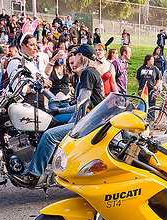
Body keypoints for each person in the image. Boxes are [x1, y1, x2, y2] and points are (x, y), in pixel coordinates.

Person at [9, 44, 103, 188]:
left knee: (49, 135)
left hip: (88, 123)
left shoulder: (87, 73)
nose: (74, 57)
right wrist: (58, 111)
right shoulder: (91, 72)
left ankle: (34, 175)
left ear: (81, 57)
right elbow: (82, 104)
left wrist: (74, 125)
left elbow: (83, 104)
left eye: (76, 54)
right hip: (90, 119)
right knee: (54, 123)